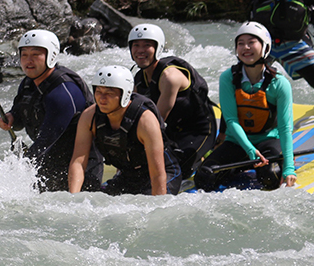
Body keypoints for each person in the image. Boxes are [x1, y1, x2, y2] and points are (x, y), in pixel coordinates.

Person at [195, 22, 296, 191]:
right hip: (238, 142)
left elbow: (285, 128)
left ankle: (268, 166)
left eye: (251, 42)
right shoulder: (228, 78)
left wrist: (289, 168)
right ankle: (236, 168)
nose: (245, 47)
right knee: (204, 177)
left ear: (265, 47)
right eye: (240, 43)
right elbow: (231, 120)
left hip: (268, 141)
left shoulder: (279, 83)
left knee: (269, 176)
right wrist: (250, 150)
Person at [0, 29, 103, 192]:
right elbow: (19, 116)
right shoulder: (28, 84)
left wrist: (20, 167)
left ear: (51, 56)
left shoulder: (63, 91)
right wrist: (11, 118)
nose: (28, 60)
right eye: (24, 55)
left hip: (82, 166)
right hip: (50, 159)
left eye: (35, 54)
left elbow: (47, 139)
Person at [68, 65, 182, 195]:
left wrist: (156, 208)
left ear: (125, 94)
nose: (102, 99)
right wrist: (74, 197)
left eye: (109, 94)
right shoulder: (89, 116)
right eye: (98, 92)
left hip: (163, 173)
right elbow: (78, 162)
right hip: (128, 175)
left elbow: (158, 175)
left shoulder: (145, 121)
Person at [128, 23, 217, 178]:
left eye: (147, 45)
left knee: (175, 168)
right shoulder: (139, 78)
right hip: (173, 130)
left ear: (158, 48)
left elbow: (157, 120)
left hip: (198, 129)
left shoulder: (169, 77)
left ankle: (204, 156)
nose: (140, 50)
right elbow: (131, 114)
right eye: (136, 45)